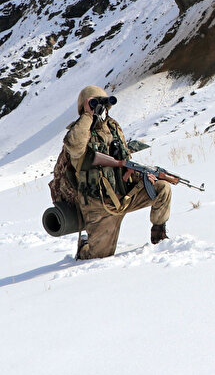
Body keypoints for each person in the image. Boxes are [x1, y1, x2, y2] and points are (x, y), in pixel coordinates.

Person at [64, 85, 171, 259]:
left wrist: (143, 176)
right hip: (99, 206)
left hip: (124, 196)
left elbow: (125, 160)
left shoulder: (113, 127)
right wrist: (87, 115)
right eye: (94, 103)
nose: (102, 108)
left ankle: (159, 237)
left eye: (104, 104)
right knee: (99, 256)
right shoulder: (78, 132)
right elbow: (75, 146)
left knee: (162, 187)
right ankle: (84, 245)